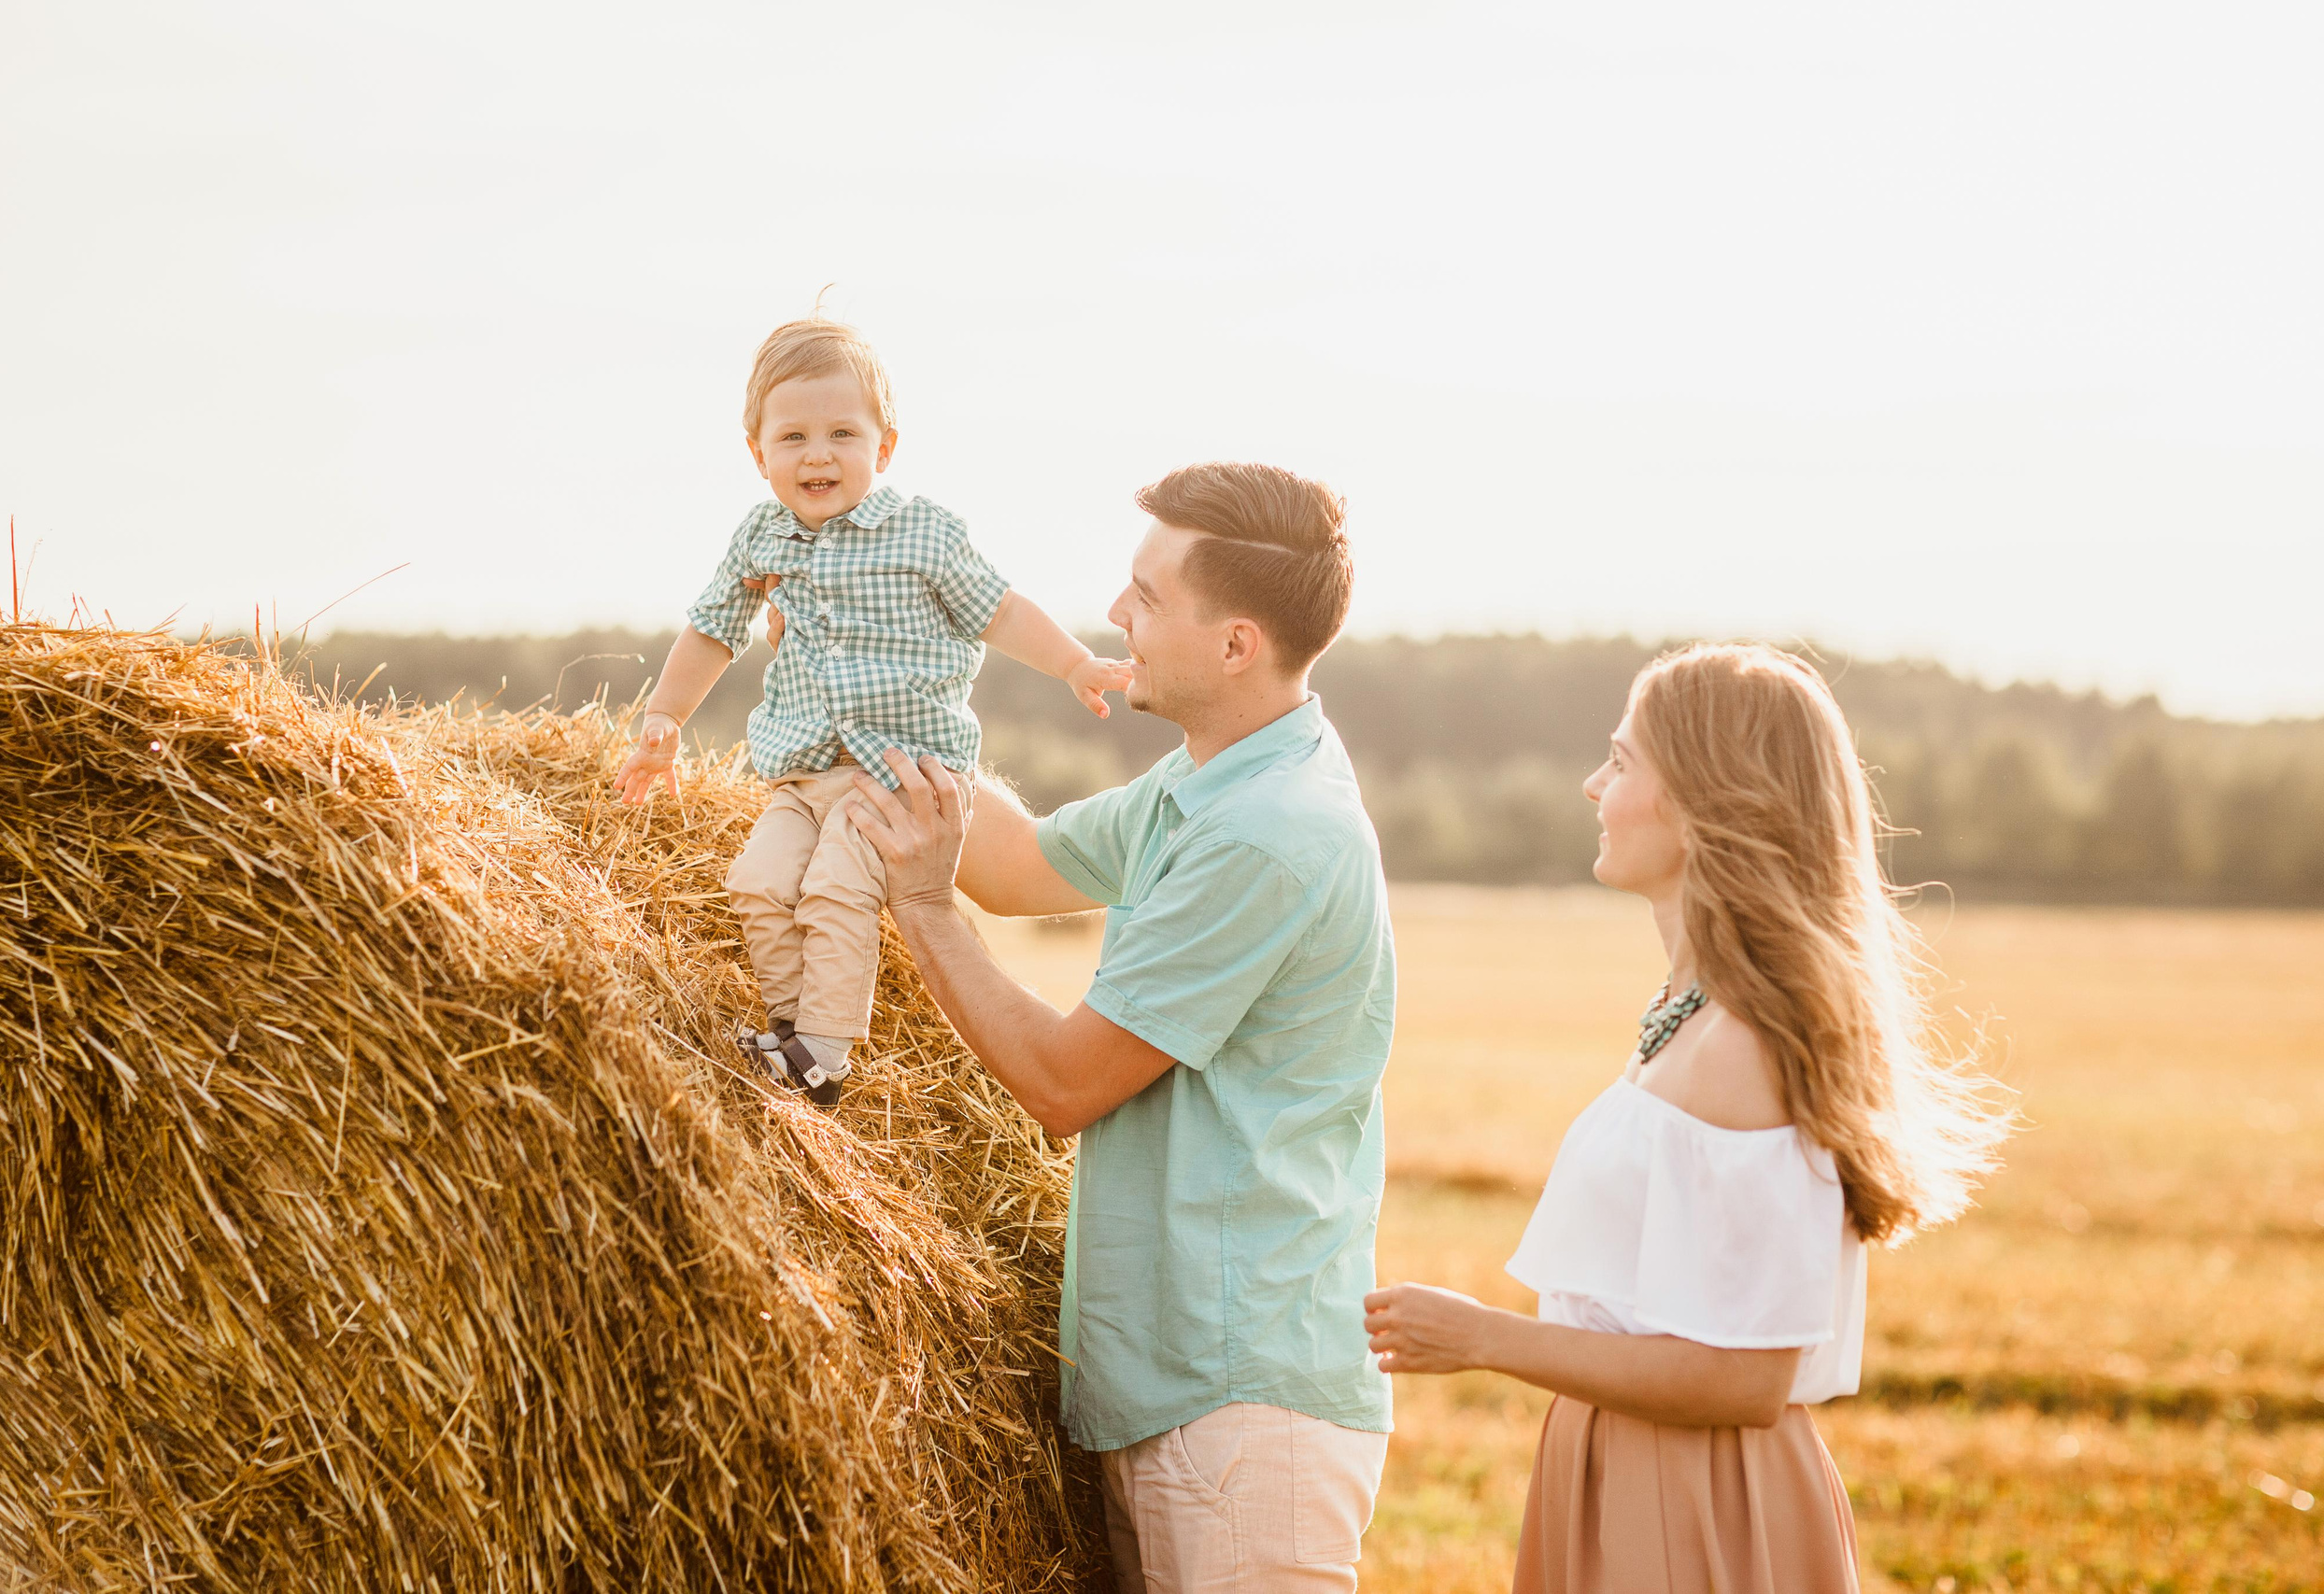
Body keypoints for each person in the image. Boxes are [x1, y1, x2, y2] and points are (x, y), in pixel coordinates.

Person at [843, 462, 1396, 1593]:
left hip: (1243, 1408)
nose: (1114, 615)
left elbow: (1062, 1083)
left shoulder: (1266, 831)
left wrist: (919, 906)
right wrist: (877, 701)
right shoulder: (1207, 783)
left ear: (1236, 644)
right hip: (1170, 1385)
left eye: (1144, 596)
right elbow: (1018, 861)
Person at [1363, 643, 2010, 1594]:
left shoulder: (1743, 1048)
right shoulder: (1692, 1018)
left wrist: (1482, 1339)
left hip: (1687, 1493)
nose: (1592, 785)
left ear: (1706, 798)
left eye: (1621, 761)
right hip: (1620, 1466)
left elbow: (1742, 1380)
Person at [611, 315, 1128, 1107]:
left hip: (896, 774)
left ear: (883, 447)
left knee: (833, 892)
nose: (817, 453)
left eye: (842, 433)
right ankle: (791, 1032)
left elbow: (999, 609)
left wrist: (1072, 662)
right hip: (800, 774)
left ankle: (825, 1050)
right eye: (793, 437)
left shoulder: (921, 532)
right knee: (755, 881)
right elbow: (712, 629)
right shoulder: (760, 538)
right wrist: (664, 720)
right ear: (758, 454)